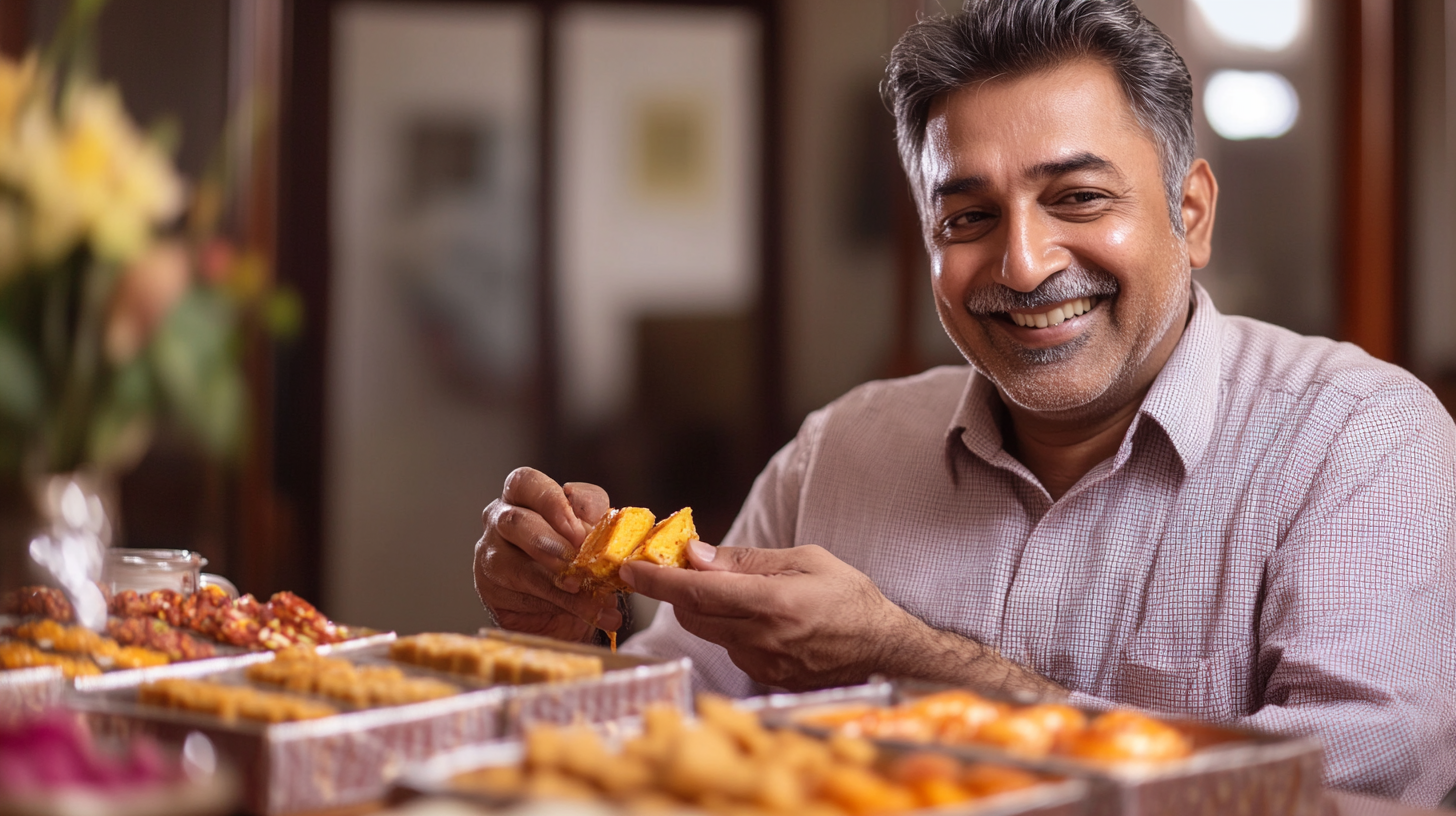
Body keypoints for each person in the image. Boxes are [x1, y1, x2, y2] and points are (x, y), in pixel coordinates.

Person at [473, 0, 1456, 804]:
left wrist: (916, 661)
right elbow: (666, 740)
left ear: (1188, 212)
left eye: (1076, 197)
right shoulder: (842, 447)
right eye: (969, 217)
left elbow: (1333, 797)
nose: (1024, 263)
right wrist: (573, 643)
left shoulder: (1362, 442)